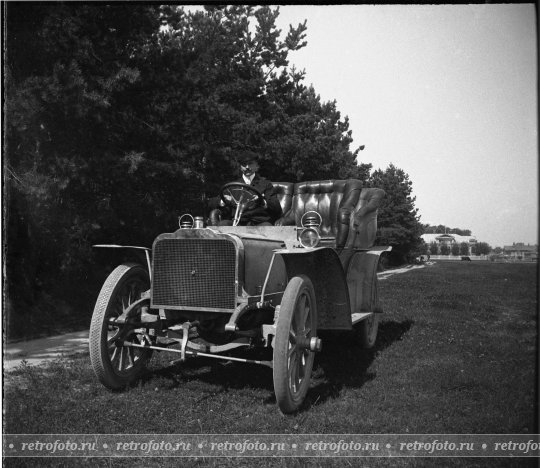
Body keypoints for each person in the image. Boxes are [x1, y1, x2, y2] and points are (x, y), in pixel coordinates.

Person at [208, 152, 282, 226]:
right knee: (223, 225)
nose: (247, 167)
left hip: (259, 222)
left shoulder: (265, 184)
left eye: (250, 164)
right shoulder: (232, 186)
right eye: (244, 164)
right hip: (237, 222)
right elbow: (211, 203)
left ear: (257, 166)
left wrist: (263, 202)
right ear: (240, 167)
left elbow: (277, 208)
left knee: (267, 227)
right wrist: (223, 200)